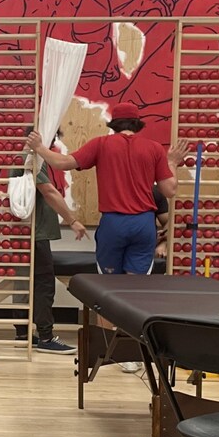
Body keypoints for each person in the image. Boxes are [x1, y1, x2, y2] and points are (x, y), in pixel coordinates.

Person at [30, 102, 179, 275]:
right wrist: (172, 163)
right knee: (137, 285)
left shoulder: (101, 144)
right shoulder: (155, 148)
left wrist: (39, 147)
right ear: (137, 123)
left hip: (114, 223)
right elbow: (170, 190)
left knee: (110, 285)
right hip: (144, 224)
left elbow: (62, 163)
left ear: (114, 124)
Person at [16, 129, 88, 354]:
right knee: (43, 284)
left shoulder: (26, 159)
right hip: (34, 234)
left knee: (27, 283)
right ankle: (45, 337)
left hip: (27, 232)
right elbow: (49, 191)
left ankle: (23, 332)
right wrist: (73, 220)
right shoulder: (31, 160)